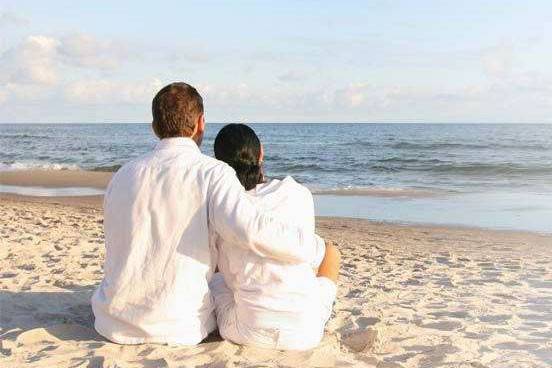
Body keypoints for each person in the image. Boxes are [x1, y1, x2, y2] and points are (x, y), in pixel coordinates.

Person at [91, 83, 324, 345]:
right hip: (179, 327)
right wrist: (312, 246)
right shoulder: (211, 173)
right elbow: (249, 229)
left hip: (112, 321)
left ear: (154, 127)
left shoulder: (124, 175)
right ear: (200, 123)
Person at [210, 123, 341, 351]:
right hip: (305, 333)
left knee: (216, 276)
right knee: (331, 252)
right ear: (261, 153)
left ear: (219, 164)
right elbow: (307, 254)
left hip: (248, 331)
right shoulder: (298, 194)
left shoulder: (224, 209)